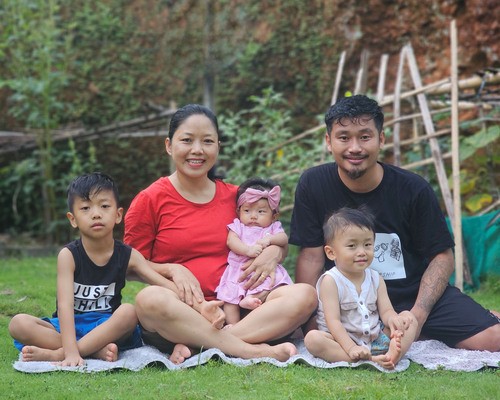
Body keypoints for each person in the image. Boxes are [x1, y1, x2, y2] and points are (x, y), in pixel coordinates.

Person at [290, 94, 500, 351]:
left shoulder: (413, 188)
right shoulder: (313, 184)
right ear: (328, 141)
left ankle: (429, 329)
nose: (354, 147)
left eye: (365, 137)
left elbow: (442, 256)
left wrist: (418, 315)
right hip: (347, 305)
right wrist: (312, 325)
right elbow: (311, 257)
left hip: (413, 295)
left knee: (493, 339)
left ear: (381, 139)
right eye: (343, 137)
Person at [124, 104, 316, 364]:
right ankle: (251, 350)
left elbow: (271, 235)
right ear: (169, 146)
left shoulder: (238, 198)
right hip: (182, 311)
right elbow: (130, 265)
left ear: (218, 147)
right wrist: (171, 269)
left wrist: (275, 251)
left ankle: (203, 345)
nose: (197, 150)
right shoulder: (150, 199)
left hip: (244, 309)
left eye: (207, 141)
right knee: (149, 300)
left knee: (304, 295)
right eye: (187, 140)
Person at [9, 172, 224, 367]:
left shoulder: (127, 254)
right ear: (72, 219)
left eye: (104, 206)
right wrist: (71, 350)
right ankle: (92, 350)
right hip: (70, 325)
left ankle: (59, 353)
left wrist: (202, 306)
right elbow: (65, 306)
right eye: (85, 208)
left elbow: (162, 282)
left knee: (128, 312)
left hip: (108, 327)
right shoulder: (68, 256)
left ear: (118, 215)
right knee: (18, 324)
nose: (96, 214)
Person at [304, 207, 417, 369]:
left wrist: (393, 319)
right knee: (313, 339)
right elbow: (333, 321)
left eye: (367, 244)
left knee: (409, 318)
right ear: (331, 253)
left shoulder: (376, 278)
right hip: (341, 342)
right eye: (352, 246)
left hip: (375, 339)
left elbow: (386, 311)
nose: (362, 252)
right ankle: (368, 360)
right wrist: (351, 348)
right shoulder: (330, 281)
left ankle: (391, 356)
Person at [215, 177, 293, 326]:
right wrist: (248, 250)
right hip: (238, 270)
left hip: (265, 270)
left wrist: (270, 240)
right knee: (230, 299)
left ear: (274, 216)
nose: (253, 216)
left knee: (274, 285)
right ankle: (233, 326)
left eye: (261, 211)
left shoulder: (272, 228)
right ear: (238, 211)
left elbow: (283, 239)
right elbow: (231, 241)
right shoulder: (238, 226)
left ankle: (251, 300)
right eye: (247, 210)